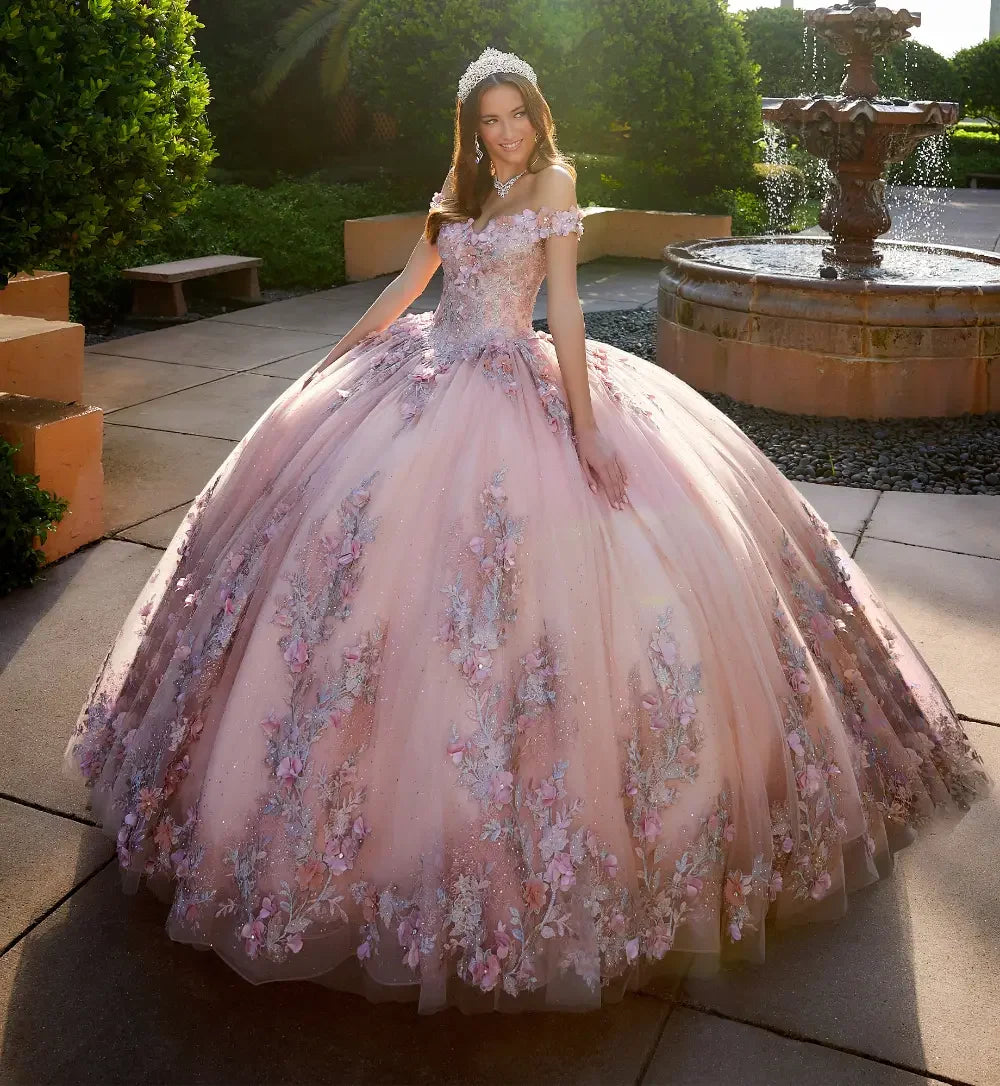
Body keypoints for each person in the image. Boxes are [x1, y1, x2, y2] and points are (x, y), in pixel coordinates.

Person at [63, 47, 991, 1015]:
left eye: (515, 116)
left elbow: (567, 303)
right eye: (487, 120)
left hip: (512, 374)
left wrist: (586, 429)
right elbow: (408, 288)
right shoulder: (458, 186)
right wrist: (330, 359)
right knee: (349, 579)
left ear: (539, 117)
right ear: (469, 127)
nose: (503, 132)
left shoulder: (553, 178)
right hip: (428, 368)